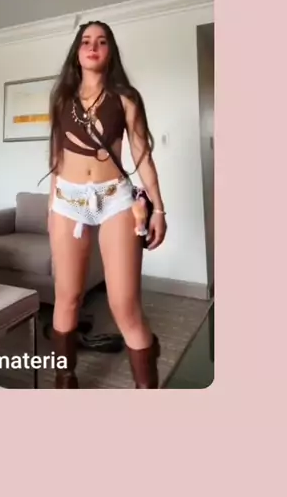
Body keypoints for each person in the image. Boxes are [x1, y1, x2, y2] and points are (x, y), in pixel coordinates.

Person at [45, 20, 167, 388]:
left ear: (110, 51)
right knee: (67, 298)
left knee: (124, 305)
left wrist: (159, 209)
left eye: (101, 41)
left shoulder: (126, 98)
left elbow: (142, 155)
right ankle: (65, 380)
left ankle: (147, 389)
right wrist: (51, 206)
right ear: (77, 52)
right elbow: (56, 155)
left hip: (115, 199)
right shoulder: (62, 98)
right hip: (68, 201)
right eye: (86, 41)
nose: (93, 46)